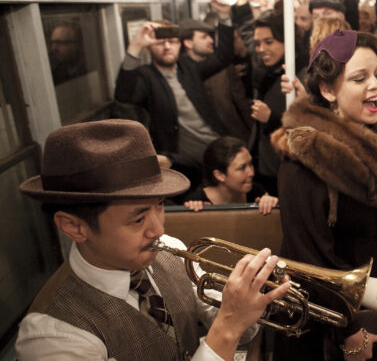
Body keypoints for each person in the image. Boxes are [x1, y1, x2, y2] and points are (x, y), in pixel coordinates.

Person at [15, 119, 290, 360]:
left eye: (159, 205)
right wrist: (228, 327)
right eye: (138, 219)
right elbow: (228, 330)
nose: (158, 229)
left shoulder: (170, 248)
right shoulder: (52, 336)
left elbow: (235, 327)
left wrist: (247, 303)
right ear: (74, 227)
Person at [272, 30, 377, 360]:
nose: (376, 85)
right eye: (359, 77)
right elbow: (308, 260)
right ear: (327, 90)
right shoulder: (304, 159)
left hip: (374, 298)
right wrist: (348, 332)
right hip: (324, 318)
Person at [114, 0, 234, 192]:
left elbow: (223, 57)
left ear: (180, 45)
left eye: (172, 41)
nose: (167, 46)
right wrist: (134, 46)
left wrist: (224, 16)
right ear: (149, 47)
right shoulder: (146, 76)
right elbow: (124, 96)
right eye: (160, 42)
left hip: (215, 144)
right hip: (183, 157)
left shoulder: (188, 67)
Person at [249, 10, 307, 196]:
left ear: (287, 41)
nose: (261, 49)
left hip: (287, 167)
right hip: (266, 164)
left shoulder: (302, 75)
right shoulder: (265, 73)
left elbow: (308, 126)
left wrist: (271, 118)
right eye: (257, 43)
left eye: (269, 42)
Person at [184, 136, 278, 214]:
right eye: (242, 168)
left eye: (250, 164)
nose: (251, 173)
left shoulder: (257, 192)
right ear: (220, 175)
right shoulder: (197, 201)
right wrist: (194, 214)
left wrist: (271, 205)